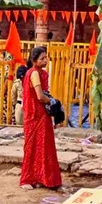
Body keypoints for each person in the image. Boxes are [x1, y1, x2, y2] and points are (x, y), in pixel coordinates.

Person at [20, 46, 62, 189]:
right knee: (33, 146)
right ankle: (28, 178)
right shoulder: (34, 73)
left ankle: (42, 177)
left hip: (42, 114)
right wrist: (53, 102)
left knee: (44, 146)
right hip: (35, 115)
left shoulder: (42, 73)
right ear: (34, 60)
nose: (45, 60)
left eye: (46, 57)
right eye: (42, 58)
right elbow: (40, 96)